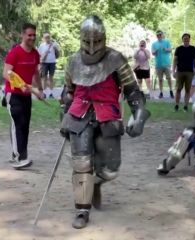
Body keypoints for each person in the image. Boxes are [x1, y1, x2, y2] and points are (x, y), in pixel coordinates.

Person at [60, 16, 150, 229]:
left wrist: (138, 114)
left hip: (107, 115)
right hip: (79, 116)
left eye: (96, 41)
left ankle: (97, 182)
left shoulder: (116, 59)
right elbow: (67, 91)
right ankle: (82, 209)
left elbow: (132, 91)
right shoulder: (73, 61)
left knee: (112, 168)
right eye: (87, 41)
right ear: (81, 39)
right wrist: (64, 114)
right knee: (81, 165)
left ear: (103, 38)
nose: (92, 47)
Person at [2, 23, 44, 169]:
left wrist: (40, 89)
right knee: (18, 123)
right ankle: (20, 157)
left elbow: (36, 73)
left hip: (27, 95)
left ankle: (18, 155)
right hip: (13, 94)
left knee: (24, 125)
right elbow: (6, 73)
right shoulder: (15, 53)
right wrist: (19, 84)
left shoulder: (35, 53)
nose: (32, 37)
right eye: (29, 35)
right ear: (22, 35)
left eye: (34, 35)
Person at [172, 33, 195, 112]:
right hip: (179, 71)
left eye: (187, 38)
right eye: (184, 38)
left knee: (188, 90)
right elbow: (175, 60)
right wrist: (173, 71)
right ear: (182, 39)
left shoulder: (193, 49)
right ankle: (177, 105)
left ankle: (185, 106)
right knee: (178, 89)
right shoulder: (178, 49)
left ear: (189, 39)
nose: (186, 39)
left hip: (189, 72)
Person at [151, 30, 174, 99]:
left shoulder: (167, 42)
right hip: (158, 64)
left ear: (162, 35)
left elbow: (170, 50)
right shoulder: (154, 44)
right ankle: (161, 92)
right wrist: (156, 51)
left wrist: (166, 49)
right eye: (158, 35)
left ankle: (171, 91)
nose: (159, 36)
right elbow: (153, 53)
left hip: (166, 64)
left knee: (169, 78)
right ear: (156, 36)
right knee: (160, 79)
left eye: (160, 35)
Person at [38, 32, 60, 98]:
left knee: (51, 78)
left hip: (52, 62)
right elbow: (39, 55)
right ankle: (44, 93)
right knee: (44, 78)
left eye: (48, 37)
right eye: (46, 37)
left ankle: (51, 93)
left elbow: (58, 54)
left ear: (50, 38)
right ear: (44, 38)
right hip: (44, 63)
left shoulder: (54, 44)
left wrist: (54, 47)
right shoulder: (42, 45)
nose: (47, 39)